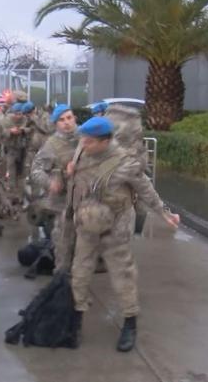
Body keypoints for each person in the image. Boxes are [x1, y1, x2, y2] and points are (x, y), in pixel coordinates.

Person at [67, 117, 180, 352]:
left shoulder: (125, 162)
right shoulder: (82, 150)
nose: (83, 144)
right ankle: (76, 320)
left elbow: (145, 188)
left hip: (115, 226)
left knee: (122, 274)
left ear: (105, 141)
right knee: (79, 272)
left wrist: (164, 213)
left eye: (89, 141)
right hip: (87, 223)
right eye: (83, 139)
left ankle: (130, 322)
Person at [29, 104, 78, 272]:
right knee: (63, 246)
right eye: (62, 120)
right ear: (56, 124)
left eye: (69, 118)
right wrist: (50, 182)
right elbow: (35, 171)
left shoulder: (86, 139)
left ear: (75, 119)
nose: (67, 123)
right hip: (63, 203)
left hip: (87, 202)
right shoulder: (52, 145)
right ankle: (62, 282)